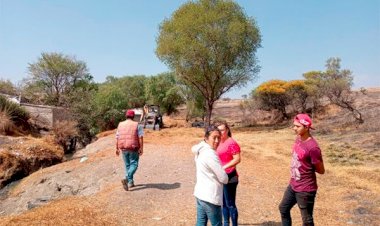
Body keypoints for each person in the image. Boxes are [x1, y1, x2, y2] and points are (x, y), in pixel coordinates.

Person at [279, 113, 325, 226]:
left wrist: (308, 167)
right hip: (293, 184)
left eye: (297, 126)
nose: (294, 128)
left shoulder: (313, 147)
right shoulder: (298, 139)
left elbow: (321, 170)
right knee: (283, 208)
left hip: (306, 189)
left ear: (307, 127)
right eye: (294, 125)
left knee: (307, 220)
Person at [192, 125, 228, 226]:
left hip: (200, 194)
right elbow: (223, 178)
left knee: (200, 223)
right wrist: (226, 175)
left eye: (219, 138)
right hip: (210, 197)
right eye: (214, 137)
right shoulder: (210, 154)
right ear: (206, 138)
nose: (217, 141)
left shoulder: (200, 149)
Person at [215, 121, 241, 226]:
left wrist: (223, 167)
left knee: (230, 204)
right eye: (219, 130)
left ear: (227, 130)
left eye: (222, 130)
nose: (221, 132)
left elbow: (237, 159)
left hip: (230, 176)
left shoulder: (231, 143)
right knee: (223, 203)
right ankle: (226, 223)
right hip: (221, 176)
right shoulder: (218, 141)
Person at [116, 109, 144, 191]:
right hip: (133, 147)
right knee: (134, 164)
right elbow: (140, 137)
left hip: (123, 147)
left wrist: (116, 148)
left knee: (128, 165)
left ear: (126, 116)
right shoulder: (137, 124)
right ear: (133, 116)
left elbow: (117, 137)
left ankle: (130, 183)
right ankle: (127, 178)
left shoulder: (120, 124)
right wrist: (141, 148)